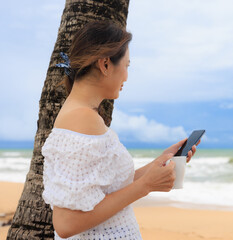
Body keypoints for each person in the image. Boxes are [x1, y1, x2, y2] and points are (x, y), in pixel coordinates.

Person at [41, 21, 200, 240]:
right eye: (126, 66)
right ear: (105, 65)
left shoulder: (83, 116)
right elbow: (66, 223)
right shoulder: (82, 119)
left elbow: (104, 191)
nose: (126, 76)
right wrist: (145, 186)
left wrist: (156, 165)